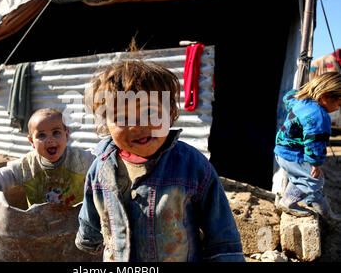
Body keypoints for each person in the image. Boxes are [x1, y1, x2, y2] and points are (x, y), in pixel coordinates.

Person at [75, 60, 244, 262]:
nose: (139, 126)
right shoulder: (100, 167)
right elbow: (91, 212)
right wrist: (89, 239)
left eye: (151, 113)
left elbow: (221, 231)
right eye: (123, 117)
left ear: (170, 112)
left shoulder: (192, 166)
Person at [0, 108, 95, 207]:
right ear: (32, 141)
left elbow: (97, 157)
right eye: (42, 135)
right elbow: (10, 173)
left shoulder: (78, 158)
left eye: (56, 132)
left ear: (66, 135)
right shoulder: (28, 164)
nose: (50, 139)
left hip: (75, 221)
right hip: (39, 223)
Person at [274, 72, 341, 221]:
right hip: (292, 154)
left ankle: (320, 209)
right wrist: (315, 164)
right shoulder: (319, 117)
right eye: (338, 104)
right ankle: (289, 202)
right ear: (325, 96)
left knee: (301, 177)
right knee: (314, 180)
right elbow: (315, 143)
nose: (338, 108)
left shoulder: (301, 100)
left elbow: (289, 96)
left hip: (281, 149)